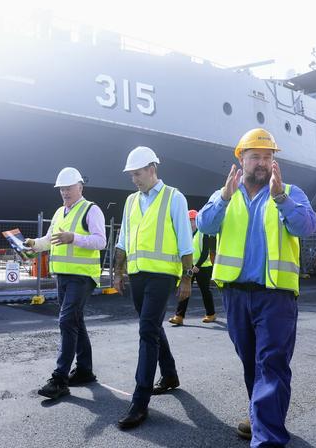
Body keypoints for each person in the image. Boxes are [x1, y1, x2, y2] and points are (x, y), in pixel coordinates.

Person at [197, 128, 316, 446]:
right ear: (241, 159)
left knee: (271, 364)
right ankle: (260, 417)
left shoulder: (290, 192)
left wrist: (281, 198)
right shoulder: (226, 194)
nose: (262, 163)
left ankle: (267, 439)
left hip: (275, 295)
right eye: (255, 157)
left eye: (268, 157)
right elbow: (204, 225)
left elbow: (306, 226)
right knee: (252, 362)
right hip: (235, 294)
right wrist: (223, 197)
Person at [112, 146, 193, 429]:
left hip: (162, 276)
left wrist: (186, 279)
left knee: (147, 329)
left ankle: (139, 402)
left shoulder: (175, 197)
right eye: (131, 175)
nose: (134, 179)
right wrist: (118, 271)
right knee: (153, 326)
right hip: (137, 275)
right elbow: (123, 238)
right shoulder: (131, 201)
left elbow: (186, 242)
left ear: (152, 169)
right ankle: (169, 375)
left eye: (137, 173)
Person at [24, 167, 107, 400]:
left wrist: (74, 238)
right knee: (75, 322)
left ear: (80, 187)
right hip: (63, 276)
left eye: (68, 188)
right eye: (61, 188)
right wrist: (33, 244)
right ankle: (84, 370)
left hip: (82, 276)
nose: (64, 192)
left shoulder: (92, 210)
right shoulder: (60, 212)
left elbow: (101, 241)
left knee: (67, 321)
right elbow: (49, 240)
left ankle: (59, 379)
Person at [168, 209, 217, 325]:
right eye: (189, 220)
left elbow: (206, 252)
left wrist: (198, 265)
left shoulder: (203, 233)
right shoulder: (186, 234)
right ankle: (179, 316)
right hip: (190, 267)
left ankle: (211, 314)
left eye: (193, 220)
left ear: (197, 221)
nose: (191, 223)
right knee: (185, 290)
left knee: (205, 291)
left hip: (203, 267)